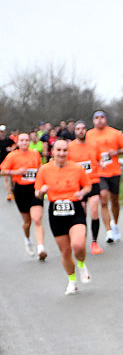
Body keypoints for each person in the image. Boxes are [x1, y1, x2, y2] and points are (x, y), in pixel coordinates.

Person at [34, 138, 91, 295]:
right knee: (65, 252)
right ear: (53, 152)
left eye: (64, 150)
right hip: (56, 212)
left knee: (78, 245)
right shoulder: (44, 170)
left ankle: (81, 264)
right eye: (58, 150)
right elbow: (37, 192)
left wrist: (82, 192)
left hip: (74, 209)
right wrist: (42, 192)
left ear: (68, 152)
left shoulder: (77, 168)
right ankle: (72, 281)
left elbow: (88, 186)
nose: (61, 153)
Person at [86, 110, 123, 243]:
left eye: (102, 117)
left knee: (115, 200)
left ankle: (115, 224)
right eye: (97, 118)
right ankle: (109, 231)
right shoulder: (89, 135)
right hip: (99, 172)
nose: (99, 120)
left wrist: (117, 151)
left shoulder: (114, 133)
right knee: (103, 198)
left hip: (114, 171)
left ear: (106, 119)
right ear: (93, 121)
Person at [1, 132, 47, 259]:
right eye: (22, 140)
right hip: (21, 190)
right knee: (27, 222)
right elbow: (2, 171)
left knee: (37, 218)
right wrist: (16, 172)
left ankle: (41, 248)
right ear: (18, 143)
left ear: (29, 142)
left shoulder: (35, 153)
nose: (25, 142)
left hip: (34, 188)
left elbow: (40, 168)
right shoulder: (12, 156)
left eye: (27, 140)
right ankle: (27, 239)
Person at [67, 120, 104, 254]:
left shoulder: (94, 145)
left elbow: (99, 158)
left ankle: (94, 241)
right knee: (82, 212)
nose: (81, 131)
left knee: (94, 210)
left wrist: (102, 163)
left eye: (83, 128)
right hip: (78, 184)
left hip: (93, 181)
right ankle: (81, 239)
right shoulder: (70, 147)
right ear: (75, 131)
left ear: (86, 130)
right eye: (78, 129)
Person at [0, 124, 16, 201]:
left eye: (3, 132)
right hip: (1, 162)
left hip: (9, 161)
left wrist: (11, 148)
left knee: (12, 178)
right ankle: (9, 193)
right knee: (5, 178)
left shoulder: (9, 140)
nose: (2, 133)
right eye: (1, 132)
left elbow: (16, 145)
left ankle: (12, 190)